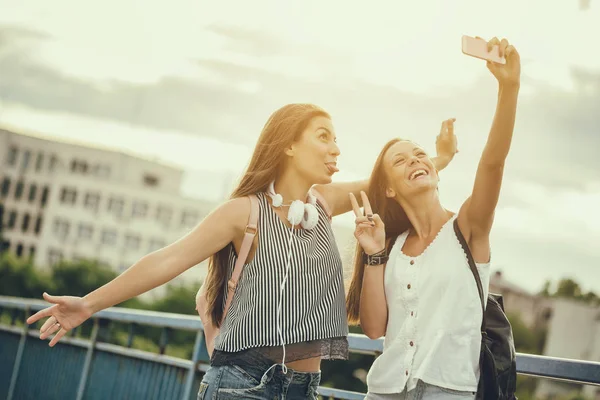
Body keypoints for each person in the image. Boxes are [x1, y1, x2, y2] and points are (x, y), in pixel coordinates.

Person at [26, 104, 456, 399]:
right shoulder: (243, 212)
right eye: (323, 137)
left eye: (337, 139)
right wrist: (88, 304)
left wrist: (436, 158)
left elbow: (392, 180)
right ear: (289, 145)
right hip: (240, 383)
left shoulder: (322, 203)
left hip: (304, 388)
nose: (336, 149)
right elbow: (168, 260)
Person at [345, 36, 520, 399]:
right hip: (384, 390)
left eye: (421, 154)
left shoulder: (468, 228)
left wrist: (509, 87)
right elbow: (375, 328)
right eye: (401, 160)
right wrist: (374, 254)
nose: (415, 161)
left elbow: (492, 163)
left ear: (436, 170)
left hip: (449, 390)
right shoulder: (389, 246)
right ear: (389, 189)